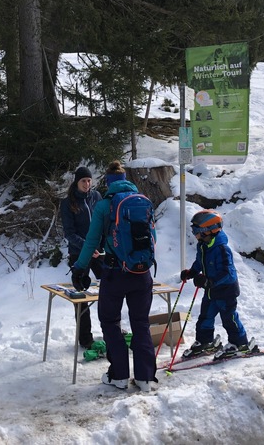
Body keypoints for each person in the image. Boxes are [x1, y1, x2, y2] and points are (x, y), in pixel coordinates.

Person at [72, 160, 157, 392]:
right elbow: (153, 238)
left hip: (115, 273)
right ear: (125, 179)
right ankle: (145, 378)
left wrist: (80, 267)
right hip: (142, 273)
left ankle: (119, 376)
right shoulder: (142, 202)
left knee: (110, 321)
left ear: (108, 182)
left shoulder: (105, 205)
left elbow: (91, 241)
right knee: (141, 323)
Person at [180, 209, 255, 359]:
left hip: (226, 291)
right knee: (205, 317)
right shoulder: (202, 245)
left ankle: (240, 343)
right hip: (211, 291)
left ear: (208, 230)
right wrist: (191, 273)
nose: (194, 233)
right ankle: (205, 342)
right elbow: (200, 262)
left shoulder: (222, 249)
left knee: (229, 318)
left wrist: (210, 281)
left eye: (196, 230)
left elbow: (229, 273)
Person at [60, 166, 103, 349]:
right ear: (76, 182)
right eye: (83, 181)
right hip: (79, 254)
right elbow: (69, 233)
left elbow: (102, 222)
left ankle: (112, 329)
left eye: (88, 180)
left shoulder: (96, 197)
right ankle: (85, 338)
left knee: (110, 289)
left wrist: (100, 246)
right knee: (81, 295)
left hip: (99, 252)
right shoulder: (68, 202)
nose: (87, 184)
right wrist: (87, 247)